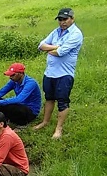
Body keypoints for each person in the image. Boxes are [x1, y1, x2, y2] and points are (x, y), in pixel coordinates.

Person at [34, 8, 84, 139]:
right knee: (49, 98)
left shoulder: (76, 34)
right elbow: (41, 46)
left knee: (62, 101)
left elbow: (60, 52)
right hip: (50, 72)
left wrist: (51, 48)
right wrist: (56, 46)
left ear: (72, 19)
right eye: (60, 19)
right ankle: (45, 122)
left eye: (65, 19)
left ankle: (58, 129)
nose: (62, 22)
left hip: (64, 74)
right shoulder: (56, 32)